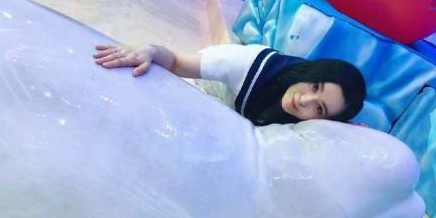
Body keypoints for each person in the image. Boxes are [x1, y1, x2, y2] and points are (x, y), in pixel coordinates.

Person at [93, 43, 366, 126]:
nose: (304, 100)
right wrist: (150, 51)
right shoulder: (248, 64)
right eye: (314, 86)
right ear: (311, 72)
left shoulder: (319, 123)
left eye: (319, 108)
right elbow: (177, 62)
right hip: (209, 94)